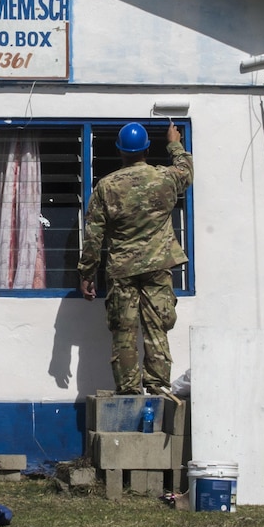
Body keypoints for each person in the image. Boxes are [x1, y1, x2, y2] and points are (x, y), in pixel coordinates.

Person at [79, 122, 192, 395]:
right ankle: (156, 388)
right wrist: (174, 142)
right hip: (158, 265)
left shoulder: (106, 187)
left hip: (122, 270)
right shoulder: (165, 178)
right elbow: (187, 171)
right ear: (146, 149)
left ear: (119, 151)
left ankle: (128, 391)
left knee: (124, 332)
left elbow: (93, 234)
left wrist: (87, 274)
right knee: (157, 329)